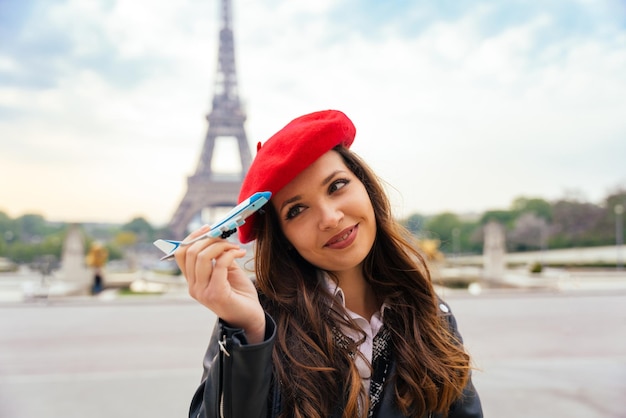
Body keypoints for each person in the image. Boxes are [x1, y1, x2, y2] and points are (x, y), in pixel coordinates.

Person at [174, 110, 483, 418]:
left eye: (337, 186)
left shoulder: (430, 312)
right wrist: (251, 333)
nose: (331, 218)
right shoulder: (255, 322)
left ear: (366, 187)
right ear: (283, 237)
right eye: (297, 210)